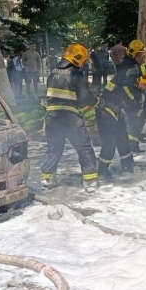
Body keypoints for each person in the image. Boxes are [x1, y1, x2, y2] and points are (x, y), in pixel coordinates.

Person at [40, 44, 98, 192]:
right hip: (71, 119)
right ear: (77, 59)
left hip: (52, 118)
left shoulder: (52, 74)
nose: (83, 65)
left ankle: (47, 179)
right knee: (84, 148)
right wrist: (97, 100)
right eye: (83, 61)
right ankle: (90, 182)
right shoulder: (77, 76)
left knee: (54, 149)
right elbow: (86, 99)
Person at [96, 70, 146, 179]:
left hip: (117, 114)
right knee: (110, 143)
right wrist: (143, 118)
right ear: (141, 81)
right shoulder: (129, 87)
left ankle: (128, 166)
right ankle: (102, 170)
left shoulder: (132, 86)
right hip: (106, 114)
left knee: (123, 139)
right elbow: (132, 108)